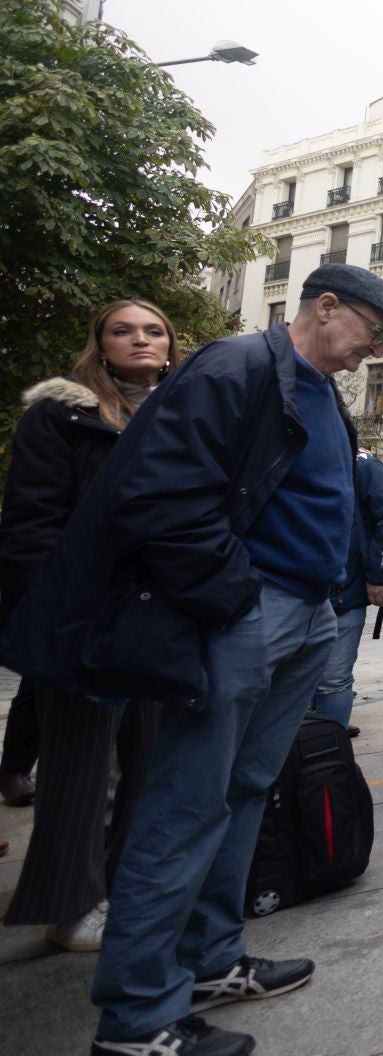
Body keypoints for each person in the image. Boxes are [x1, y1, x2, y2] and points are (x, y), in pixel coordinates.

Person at [7, 266, 383, 1056]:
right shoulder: (236, 366)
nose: (378, 348)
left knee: (243, 789)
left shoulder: (319, 389)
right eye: (375, 329)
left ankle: (208, 958)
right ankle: (136, 1017)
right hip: (245, 616)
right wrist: (233, 596)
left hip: (300, 615)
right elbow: (159, 496)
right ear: (324, 307)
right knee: (185, 803)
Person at [0, 300, 175, 954]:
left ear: (169, 344)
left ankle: (120, 884)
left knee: (151, 759)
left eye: (153, 330)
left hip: (159, 618)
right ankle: (69, 904)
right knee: (79, 768)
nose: (140, 339)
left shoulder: (181, 414)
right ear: (99, 345)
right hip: (82, 617)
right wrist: (51, 615)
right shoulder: (60, 416)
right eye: (123, 331)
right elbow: (29, 526)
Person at [311, 448, 383, 729]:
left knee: (333, 681)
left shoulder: (361, 464)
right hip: (293, 589)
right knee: (293, 682)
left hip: (343, 594)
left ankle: (328, 747)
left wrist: (380, 574)